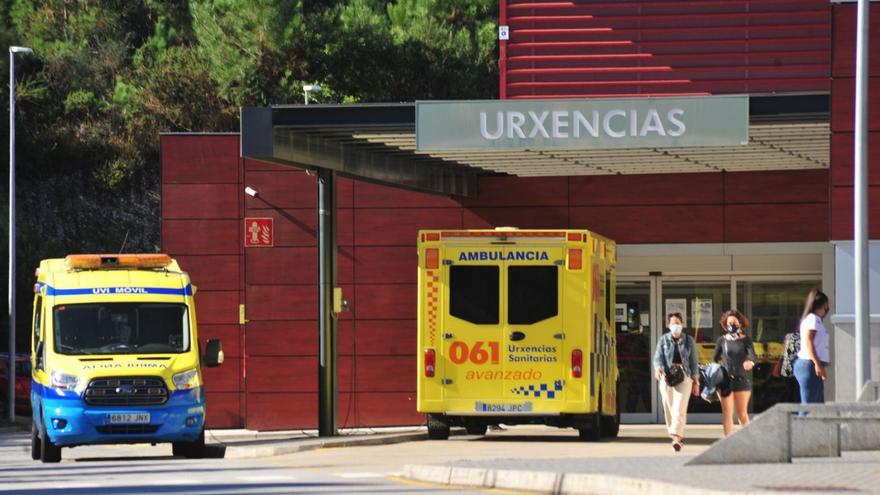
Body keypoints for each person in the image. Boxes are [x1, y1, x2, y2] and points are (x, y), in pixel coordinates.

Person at [653, 312, 699, 451]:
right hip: (667, 377)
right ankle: (674, 435)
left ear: (682, 324)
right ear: (668, 325)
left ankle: (677, 439)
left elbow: (694, 362)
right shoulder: (663, 340)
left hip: (684, 376)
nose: (676, 326)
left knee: (679, 408)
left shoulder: (689, 340)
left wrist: (696, 381)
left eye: (678, 323)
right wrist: (658, 369)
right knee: (668, 408)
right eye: (673, 323)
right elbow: (658, 357)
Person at [712, 309, 757, 436]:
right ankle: (728, 442)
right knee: (727, 413)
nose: (732, 325)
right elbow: (714, 359)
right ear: (725, 325)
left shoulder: (745, 340)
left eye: (735, 323)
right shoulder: (722, 340)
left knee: (742, 414)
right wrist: (715, 369)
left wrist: (750, 363)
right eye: (729, 323)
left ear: (741, 324)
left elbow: (753, 356)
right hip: (725, 380)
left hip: (741, 379)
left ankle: (748, 440)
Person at [794, 288, 830, 404]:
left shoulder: (813, 319)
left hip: (810, 364)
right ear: (824, 305)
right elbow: (809, 342)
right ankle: (800, 423)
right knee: (809, 406)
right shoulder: (813, 319)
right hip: (809, 364)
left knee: (814, 405)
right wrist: (818, 364)